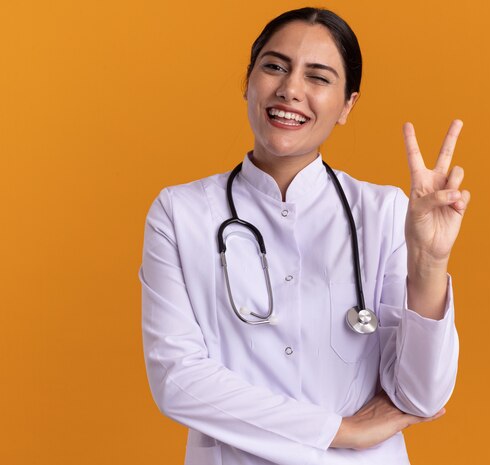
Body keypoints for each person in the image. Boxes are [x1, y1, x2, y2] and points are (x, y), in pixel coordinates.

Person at [139, 6, 470, 465]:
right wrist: (339, 432)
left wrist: (430, 263)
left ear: (347, 106)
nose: (290, 90)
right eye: (274, 66)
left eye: (318, 77)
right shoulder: (181, 214)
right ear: (249, 81)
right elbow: (177, 382)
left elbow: (422, 396)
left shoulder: (384, 212)